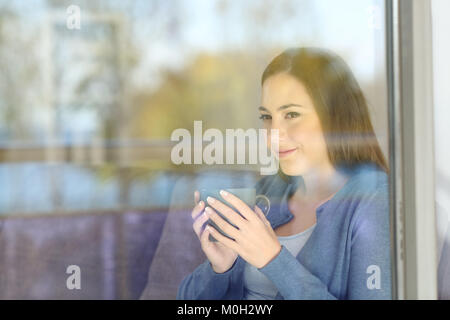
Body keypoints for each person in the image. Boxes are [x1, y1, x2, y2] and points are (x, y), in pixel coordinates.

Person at [176, 47, 391, 300]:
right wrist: (221, 269)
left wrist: (273, 260)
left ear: (334, 116)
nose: (274, 135)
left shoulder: (374, 202)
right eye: (266, 117)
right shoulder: (269, 191)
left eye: (291, 114)